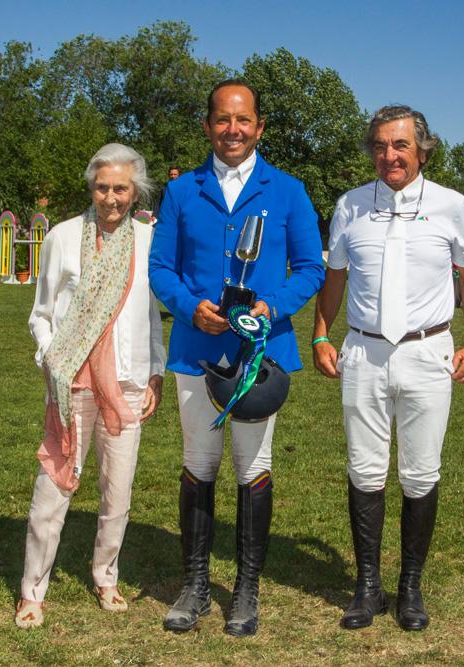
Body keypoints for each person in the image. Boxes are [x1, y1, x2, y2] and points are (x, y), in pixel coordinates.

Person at [148, 79, 324, 637]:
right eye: (222, 120)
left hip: (260, 357)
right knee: (200, 464)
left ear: (259, 127)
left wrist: (271, 308)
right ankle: (195, 585)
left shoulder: (289, 191)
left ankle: (246, 590)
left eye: (243, 120)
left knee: (253, 467)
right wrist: (186, 306)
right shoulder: (181, 192)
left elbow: (311, 269)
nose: (233, 130)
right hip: (197, 350)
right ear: (207, 126)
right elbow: (160, 269)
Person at [311, 105, 464, 632]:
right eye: (381, 145)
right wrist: (321, 332)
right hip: (363, 352)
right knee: (365, 470)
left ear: (423, 150)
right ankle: (367, 588)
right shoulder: (350, 206)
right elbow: (335, 278)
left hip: (428, 352)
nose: (390, 155)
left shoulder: (452, 205)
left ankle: (410, 587)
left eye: (401, 145)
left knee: (420, 473)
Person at [15, 143, 166, 629]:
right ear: (92, 187)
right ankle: (31, 590)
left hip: (126, 383)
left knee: (116, 492)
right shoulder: (62, 236)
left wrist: (156, 373)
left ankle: (106, 576)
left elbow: (151, 316)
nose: (111, 198)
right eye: (102, 187)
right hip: (72, 382)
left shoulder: (147, 241)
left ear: (135, 190)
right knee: (54, 485)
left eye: (120, 188)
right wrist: (50, 358)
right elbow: (41, 312)